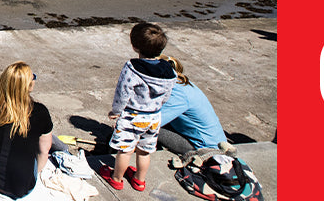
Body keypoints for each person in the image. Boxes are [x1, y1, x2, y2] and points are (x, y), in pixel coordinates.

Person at [99, 22, 178, 192]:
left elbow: (123, 92)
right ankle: (139, 180)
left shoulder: (133, 67)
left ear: (135, 47)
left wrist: (116, 111)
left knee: (125, 151)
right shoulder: (170, 70)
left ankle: (116, 178)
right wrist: (157, 106)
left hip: (132, 116)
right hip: (154, 116)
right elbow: (167, 95)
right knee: (145, 150)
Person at [0, 62, 54, 199]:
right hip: (20, 188)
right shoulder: (40, 112)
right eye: (33, 77)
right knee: (44, 143)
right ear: (28, 86)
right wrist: (33, 173)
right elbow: (44, 151)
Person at [157, 59, 233, 154]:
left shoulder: (178, 95)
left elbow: (153, 122)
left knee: (147, 127)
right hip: (213, 141)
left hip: (205, 148)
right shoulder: (181, 83)